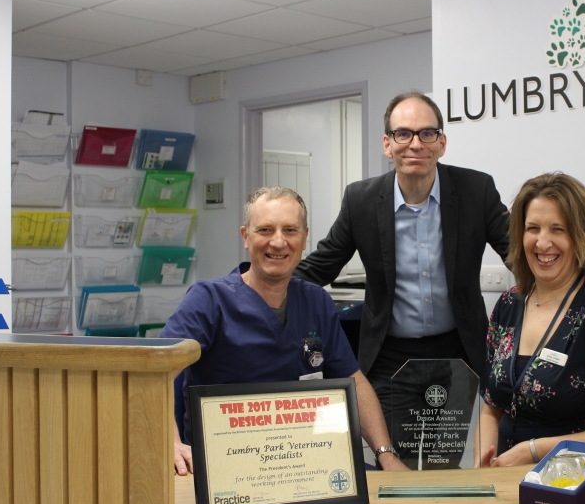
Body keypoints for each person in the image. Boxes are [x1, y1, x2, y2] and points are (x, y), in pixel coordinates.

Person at [294, 91, 510, 421]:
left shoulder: (475, 190)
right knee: (394, 459)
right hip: (390, 357)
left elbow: (519, 252)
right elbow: (320, 266)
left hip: (460, 351)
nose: (415, 144)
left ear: (442, 142)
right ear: (387, 144)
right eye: (403, 133)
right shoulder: (361, 200)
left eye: (427, 133)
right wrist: (251, 287)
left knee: (460, 460)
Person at [162, 186, 409, 474]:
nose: (278, 242)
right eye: (265, 230)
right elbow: (155, 374)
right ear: (245, 236)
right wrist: (170, 441)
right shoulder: (208, 301)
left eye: (290, 230)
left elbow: (353, 381)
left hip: (304, 458)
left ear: (304, 237)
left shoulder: (316, 301)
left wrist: (386, 454)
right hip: (226, 464)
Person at [477, 172, 585, 467]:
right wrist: (485, 465)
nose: (542, 242)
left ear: (582, 236)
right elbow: (490, 410)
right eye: (532, 228)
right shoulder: (508, 305)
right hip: (505, 480)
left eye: (558, 229)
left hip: (573, 480)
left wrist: (534, 450)